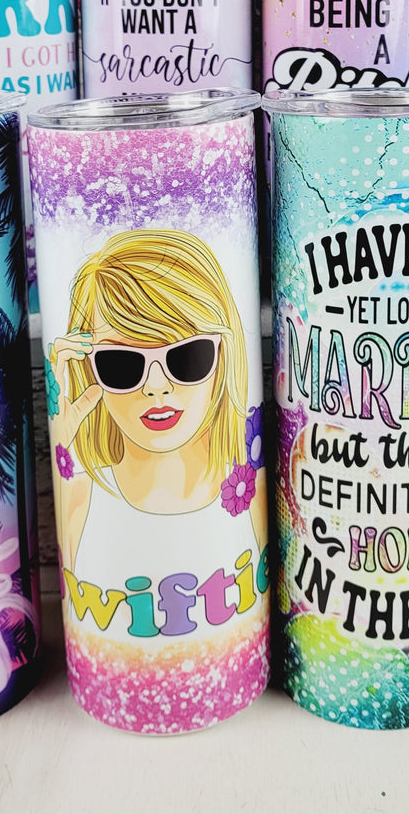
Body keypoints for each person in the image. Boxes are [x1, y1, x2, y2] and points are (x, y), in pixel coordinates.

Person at [48, 228, 266, 586]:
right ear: (87, 367)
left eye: (187, 356)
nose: (156, 386)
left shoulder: (251, 491)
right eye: (120, 363)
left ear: (224, 356)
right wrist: (63, 437)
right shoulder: (80, 497)